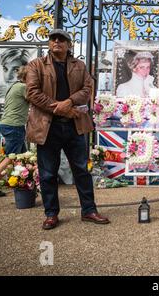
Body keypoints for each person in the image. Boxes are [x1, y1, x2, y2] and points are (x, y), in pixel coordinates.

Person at [26, 28, 110, 230]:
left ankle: (89, 210)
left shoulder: (79, 66)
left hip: (75, 127)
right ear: (49, 44)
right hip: (48, 128)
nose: (57, 42)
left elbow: (88, 89)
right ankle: (51, 214)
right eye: (53, 39)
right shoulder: (36, 65)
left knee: (81, 170)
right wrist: (62, 109)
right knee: (47, 174)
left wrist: (70, 101)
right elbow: (32, 92)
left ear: (69, 45)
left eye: (62, 39)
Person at [0, 66, 30, 198]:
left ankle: (20, 182)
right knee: (11, 157)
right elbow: (37, 100)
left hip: (9, 124)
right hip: (14, 126)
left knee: (22, 157)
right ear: (27, 77)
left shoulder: (15, 85)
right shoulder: (23, 87)